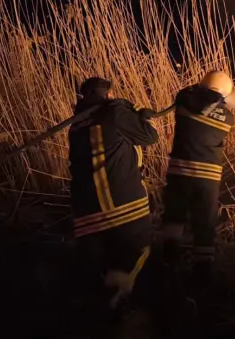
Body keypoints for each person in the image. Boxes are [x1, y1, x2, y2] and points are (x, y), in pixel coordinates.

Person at [67, 76, 160, 314]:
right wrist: (141, 113)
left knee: (104, 258)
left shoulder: (75, 124)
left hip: (85, 211)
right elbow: (149, 137)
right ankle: (116, 301)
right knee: (138, 248)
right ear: (107, 95)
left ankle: (93, 300)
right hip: (121, 204)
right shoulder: (115, 112)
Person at [161, 70, 235, 285]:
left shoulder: (185, 103)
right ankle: (202, 272)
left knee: (175, 215)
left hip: (180, 172)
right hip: (208, 178)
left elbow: (185, 96)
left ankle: (168, 261)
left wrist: (196, 90)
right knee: (205, 222)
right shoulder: (228, 117)